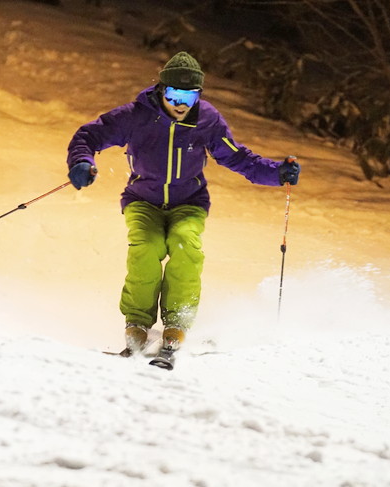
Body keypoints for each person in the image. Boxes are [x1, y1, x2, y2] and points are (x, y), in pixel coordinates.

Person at [66, 51, 300, 357]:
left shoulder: (208, 120)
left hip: (189, 202)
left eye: (189, 97)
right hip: (143, 200)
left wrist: (277, 172)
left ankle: (177, 320)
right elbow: (89, 136)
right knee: (147, 248)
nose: (180, 104)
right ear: (163, 90)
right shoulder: (136, 115)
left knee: (184, 246)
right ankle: (137, 320)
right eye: (175, 95)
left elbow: (238, 156)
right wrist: (82, 162)